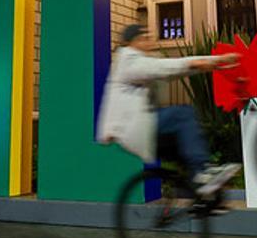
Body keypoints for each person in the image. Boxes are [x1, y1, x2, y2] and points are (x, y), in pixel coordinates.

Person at [97, 24, 242, 197]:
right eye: (143, 38)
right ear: (130, 43)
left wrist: (214, 63)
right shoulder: (128, 60)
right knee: (183, 114)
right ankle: (203, 174)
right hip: (135, 130)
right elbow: (163, 68)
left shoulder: (138, 60)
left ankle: (203, 198)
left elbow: (172, 72)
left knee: (186, 159)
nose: (149, 41)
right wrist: (208, 61)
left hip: (143, 129)